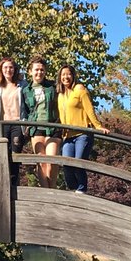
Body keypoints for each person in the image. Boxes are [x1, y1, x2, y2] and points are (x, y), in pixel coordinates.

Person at [57, 64, 103, 193]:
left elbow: (89, 109)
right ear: (60, 77)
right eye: (63, 75)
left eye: (68, 74)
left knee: (78, 163)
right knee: (66, 164)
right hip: (68, 135)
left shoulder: (79, 89)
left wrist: (98, 126)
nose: (66, 77)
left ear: (73, 76)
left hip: (82, 133)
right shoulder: (60, 95)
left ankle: (82, 189)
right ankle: (74, 189)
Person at [21, 57, 59, 188]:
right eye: (36, 70)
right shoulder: (26, 90)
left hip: (52, 126)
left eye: (42, 70)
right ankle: (46, 191)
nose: (39, 72)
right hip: (36, 127)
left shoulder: (53, 87)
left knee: (52, 160)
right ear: (30, 71)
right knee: (41, 161)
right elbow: (24, 111)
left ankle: (52, 189)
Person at [0, 56, 26, 185]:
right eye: (5, 67)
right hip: (2, 124)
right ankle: (2, 183)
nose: (8, 70)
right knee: (3, 155)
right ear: (1, 69)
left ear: (15, 69)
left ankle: (13, 184)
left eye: (11, 67)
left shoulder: (22, 85)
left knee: (15, 154)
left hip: (17, 123)